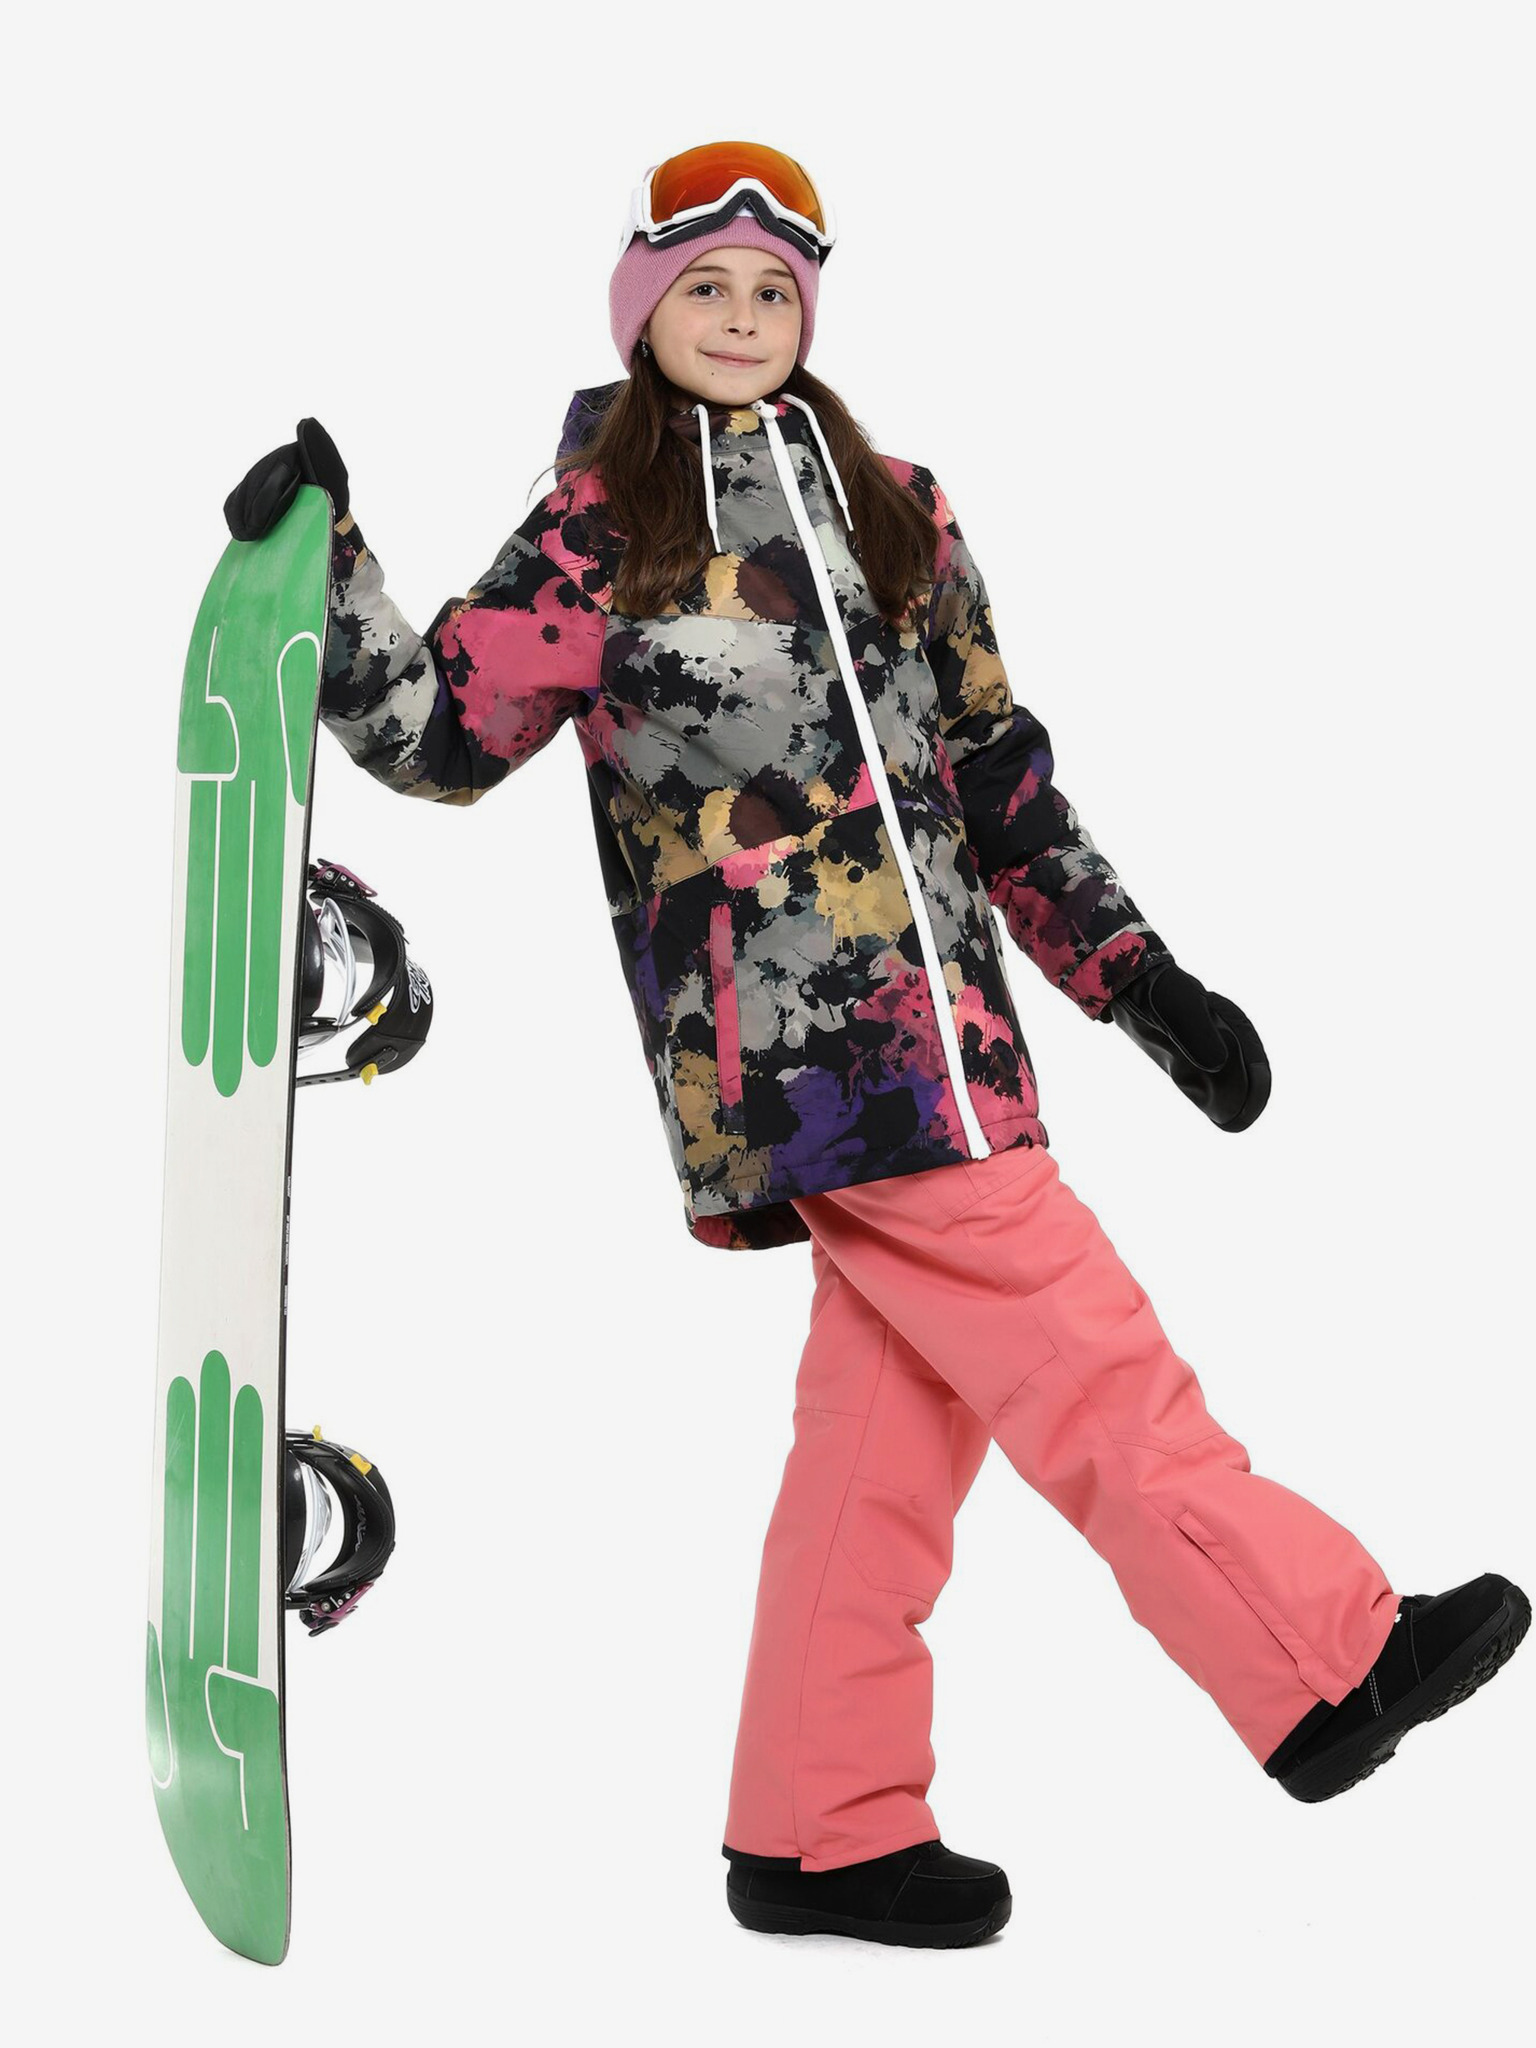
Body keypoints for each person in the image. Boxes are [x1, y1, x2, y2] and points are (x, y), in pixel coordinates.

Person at [225, 139, 1529, 1951]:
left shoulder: (899, 508)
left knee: (879, 1449)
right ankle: (1323, 1664)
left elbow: (997, 777)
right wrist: (329, 563)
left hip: (961, 1044)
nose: (741, 316)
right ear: (643, 312)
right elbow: (442, 732)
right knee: (1093, 1365)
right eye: (704, 287)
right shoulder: (603, 531)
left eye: (773, 290)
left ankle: (815, 1829)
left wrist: (1140, 980)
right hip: (807, 1062)